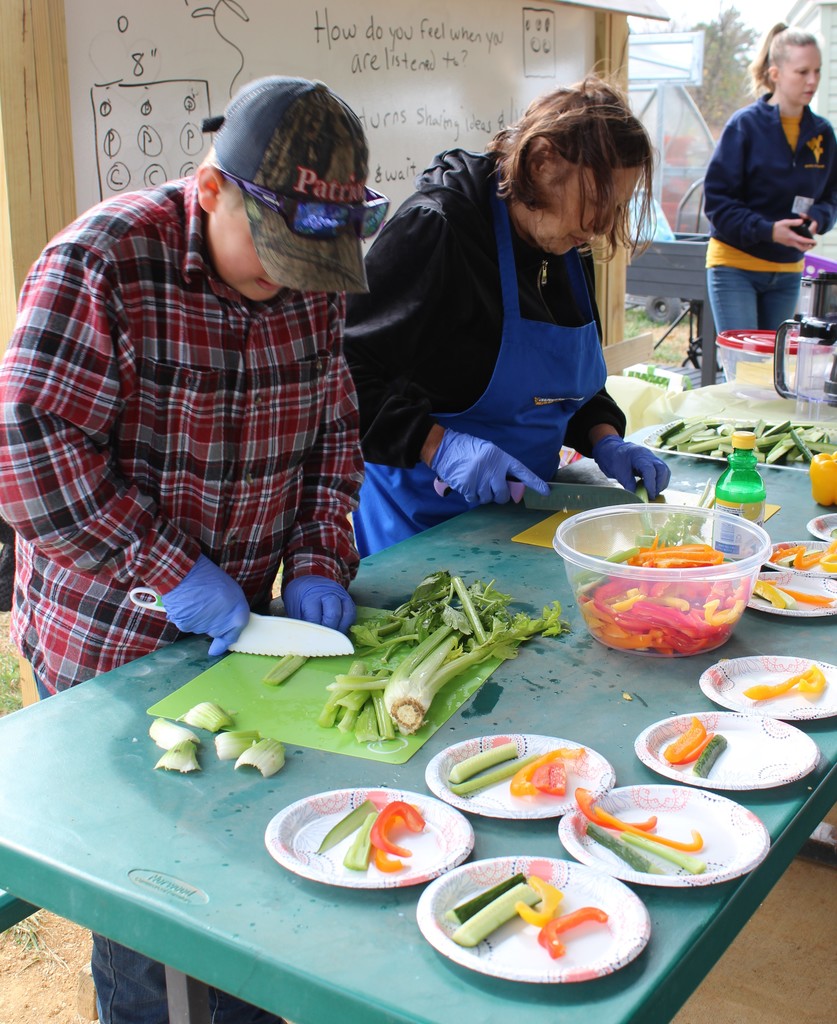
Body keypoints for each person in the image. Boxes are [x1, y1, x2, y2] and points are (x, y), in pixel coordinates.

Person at [0, 75, 386, 1024]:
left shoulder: (306, 278)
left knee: (254, 890)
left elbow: (333, 437)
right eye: (274, 252)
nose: (289, 280)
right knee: (150, 915)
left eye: (311, 261)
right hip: (107, 646)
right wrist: (170, 569)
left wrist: (323, 558)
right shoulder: (103, 261)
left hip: (246, 639)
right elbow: (27, 453)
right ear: (210, 190)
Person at [343, 75, 671, 557]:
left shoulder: (566, 240)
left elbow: (568, 385)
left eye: (616, 206)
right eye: (598, 200)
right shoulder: (437, 230)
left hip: (523, 514)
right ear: (542, 162)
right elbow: (341, 376)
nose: (602, 224)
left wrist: (604, 439)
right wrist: (439, 445)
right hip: (420, 525)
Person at [704, 24, 837, 333]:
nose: (813, 81)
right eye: (802, 72)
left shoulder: (823, 134)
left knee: (771, 371)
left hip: (788, 271)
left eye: (817, 71)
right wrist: (768, 230)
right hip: (735, 266)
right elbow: (717, 205)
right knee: (744, 370)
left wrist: (819, 217)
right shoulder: (744, 127)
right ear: (776, 73)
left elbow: (832, 196)